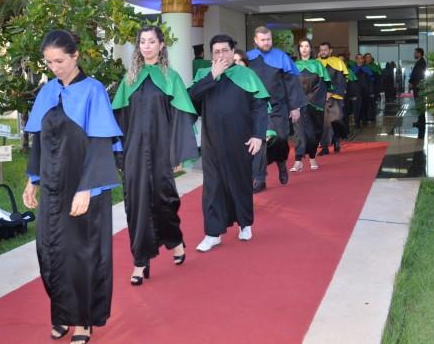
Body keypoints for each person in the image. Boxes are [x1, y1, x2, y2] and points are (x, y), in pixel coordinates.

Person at [23, 30, 121, 343]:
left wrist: (86, 189)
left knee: (82, 255)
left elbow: (100, 144)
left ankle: (82, 321)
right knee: (49, 252)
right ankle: (62, 313)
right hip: (52, 188)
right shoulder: (47, 91)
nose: (55, 68)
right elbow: (39, 139)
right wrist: (32, 179)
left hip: (83, 186)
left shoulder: (93, 91)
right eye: (49, 62)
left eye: (60, 61)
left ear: (75, 56)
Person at [112, 25, 198, 285]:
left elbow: (182, 117)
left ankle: (175, 240)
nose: (147, 46)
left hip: (161, 152)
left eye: (152, 41)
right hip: (135, 153)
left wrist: (177, 153)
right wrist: (119, 154)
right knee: (136, 205)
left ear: (161, 46)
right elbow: (118, 119)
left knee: (165, 201)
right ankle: (140, 261)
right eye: (143, 42)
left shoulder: (171, 78)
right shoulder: (129, 80)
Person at [189, 35, 269, 252]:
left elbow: (260, 107)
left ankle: (245, 223)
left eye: (225, 50)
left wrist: (258, 135)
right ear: (211, 55)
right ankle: (213, 233)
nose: (221, 55)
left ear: (233, 52)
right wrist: (212, 76)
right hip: (211, 141)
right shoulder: (204, 75)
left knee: (240, 182)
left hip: (241, 139)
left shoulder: (246, 74)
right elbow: (191, 98)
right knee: (212, 186)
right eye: (216, 52)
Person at [247, 26, 305, 193]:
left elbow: (292, 84)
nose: (266, 43)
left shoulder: (282, 57)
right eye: (263, 40)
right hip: (256, 107)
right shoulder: (248, 58)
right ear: (255, 40)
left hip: (278, 106)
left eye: (269, 39)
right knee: (259, 141)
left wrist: (295, 107)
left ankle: (281, 162)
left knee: (280, 139)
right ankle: (260, 178)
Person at [291, 38, 331, 172]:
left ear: (310, 49)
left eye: (307, 46)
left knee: (313, 133)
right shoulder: (293, 66)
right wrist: (296, 102)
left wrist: (311, 100)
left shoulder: (317, 65)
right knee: (299, 132)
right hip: (298, 104)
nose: (304, 49)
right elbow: (291, 86)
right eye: (301, 46)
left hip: (314, 103)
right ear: (298, 49)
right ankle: (298, 160)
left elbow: (323, 85)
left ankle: (312, 157)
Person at [318, 42, 352, 154]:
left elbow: (341, 81)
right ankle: (325, 147)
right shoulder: (316, 63)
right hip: (320, 98)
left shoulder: (338, 62)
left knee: (336, 120)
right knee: (323, 123)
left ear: (330, 50)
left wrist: (331, 92)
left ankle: (336, 139)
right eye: (321, 50)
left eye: (325, 50)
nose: (323, 52)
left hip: (335, 97)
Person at [351, 54, 374, 128]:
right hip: (356, 91)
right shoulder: (352, 69)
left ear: (363, 60)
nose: (359, 60)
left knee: (365, 105)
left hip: (365, 91)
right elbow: (350, 81)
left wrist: (371, 91)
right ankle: (357, 122)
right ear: (355, 60)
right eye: (357, 58)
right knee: (356, 107)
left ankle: (364, 120)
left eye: (361, 58)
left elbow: (371, 80)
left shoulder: (367, 69)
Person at [410, 47, 428, 131]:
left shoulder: (421, 62)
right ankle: (420, 120)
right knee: (419, 103)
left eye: (415, 53)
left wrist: (411, 81)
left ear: (419, 54)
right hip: (417, 85)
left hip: (418, 86)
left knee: (419, 103)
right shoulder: (420, 62)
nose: (414, 54)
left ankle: (421, 121)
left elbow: (417, 74)